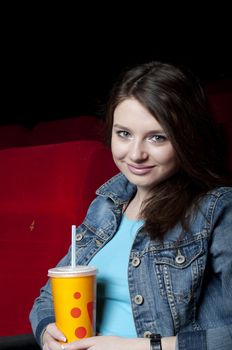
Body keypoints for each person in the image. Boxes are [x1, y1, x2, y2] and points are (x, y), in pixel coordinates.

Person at [29, 61, 232, 350]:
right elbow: (50, 294)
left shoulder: (218, 210)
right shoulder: (105, 206)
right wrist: (47, 328)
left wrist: (139, 347)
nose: (136, 154)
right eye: (124, 134)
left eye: (157, 137)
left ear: (187, 138)